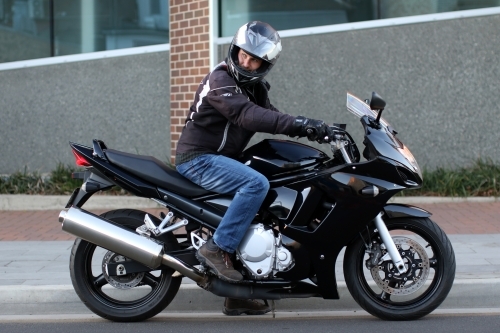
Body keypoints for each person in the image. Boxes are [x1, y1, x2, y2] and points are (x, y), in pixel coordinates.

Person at [175, 21, 333, 315]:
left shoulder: (255, 88)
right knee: (256, 184)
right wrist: (299, 123)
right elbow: (247, 116)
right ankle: (216, 248)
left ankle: (237, 294)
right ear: (234, 50)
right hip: (198, 159)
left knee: (262, 201)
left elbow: (270, 115)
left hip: (221, 160)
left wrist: (312, 127)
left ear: (265, 63)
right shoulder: (220, 80)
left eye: (254, 58)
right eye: (242, 54)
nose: (246, 62)